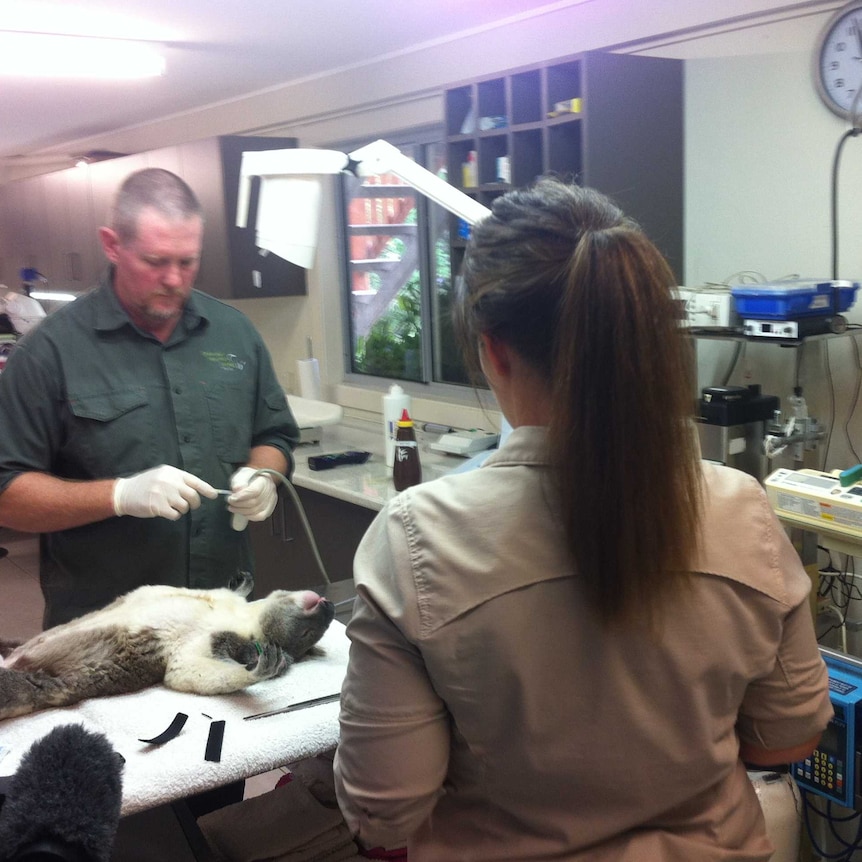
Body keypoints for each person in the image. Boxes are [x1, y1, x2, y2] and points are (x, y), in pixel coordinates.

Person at [333, 179, 833, 860]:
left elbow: (384, 814)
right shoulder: (741, 507)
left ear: (495, 350)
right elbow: (788, 738)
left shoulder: (417, 537)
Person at [0, 168, 299, 629]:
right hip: (103, 629)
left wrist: (264, 476)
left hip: (223, 612)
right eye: (155, 261)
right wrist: (119, 495)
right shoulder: (48, 353)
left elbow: (273, 433)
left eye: (187, 262)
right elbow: (7, 494)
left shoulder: (235, 333)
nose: (173, 279)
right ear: (112, 244)